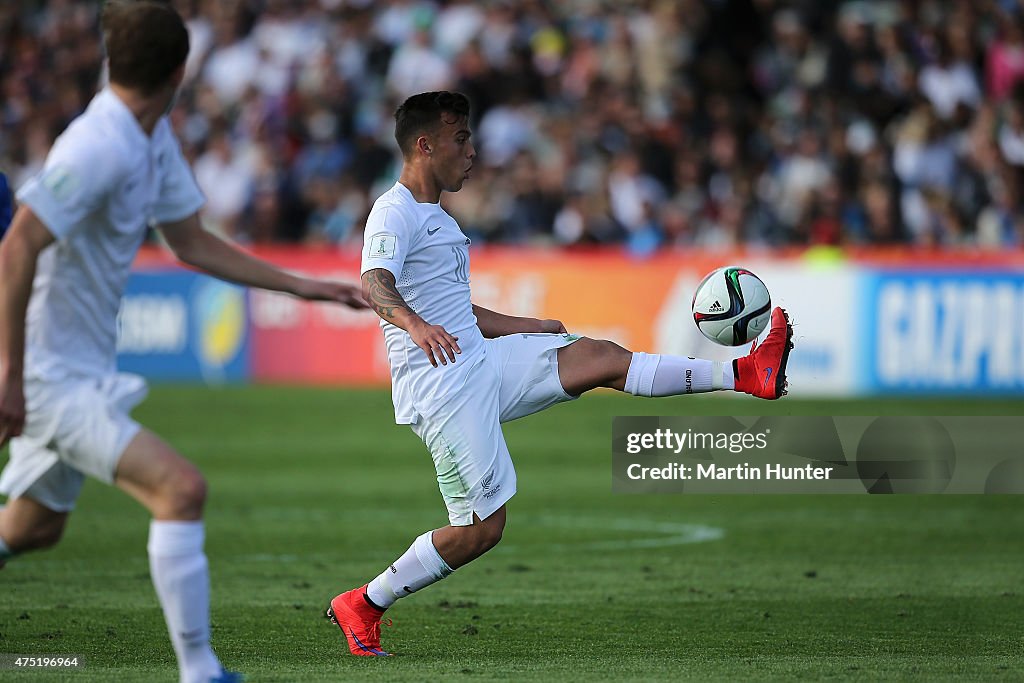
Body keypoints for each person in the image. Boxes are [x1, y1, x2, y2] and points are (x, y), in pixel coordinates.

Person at [325, 91, 793, 656]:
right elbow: (375, 283)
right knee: (481, 528)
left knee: (599, 356)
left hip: (478, 358)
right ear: (425, 145)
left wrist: (528, 324)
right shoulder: (393, 210)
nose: (472, 150)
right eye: (461, 138)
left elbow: (458, 310)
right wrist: (414, 326)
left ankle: (747, 373)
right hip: (443, 383)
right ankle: (366, 602)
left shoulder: (437, 217)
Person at [0, 3, 366, 682]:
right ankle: (201, 671)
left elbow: (190, 240)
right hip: (47, 374)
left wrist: (306, 287)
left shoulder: (150, 136)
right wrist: (10, 373)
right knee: (181, 489)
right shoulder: (98, 143)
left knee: (33, 526)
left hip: (79, 368)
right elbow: (19, 240)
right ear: (179, 70)